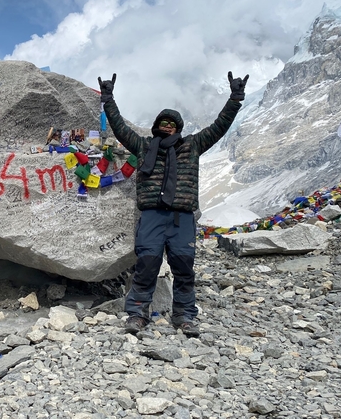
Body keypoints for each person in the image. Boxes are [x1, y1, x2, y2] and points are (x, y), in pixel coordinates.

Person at [97, 71, 249, 337]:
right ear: (157, 125)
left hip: (182, 218)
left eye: (172, 123)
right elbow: (120, 128)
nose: (167, 126)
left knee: (183, 267)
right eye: (163, 122)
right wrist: (108, 99)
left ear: (178, 128)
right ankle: (137, 314)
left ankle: (184, 316)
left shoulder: (194, 144)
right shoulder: (144, 146)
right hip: (153, 215)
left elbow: (220, 125)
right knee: (146, 264)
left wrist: (235, 99)